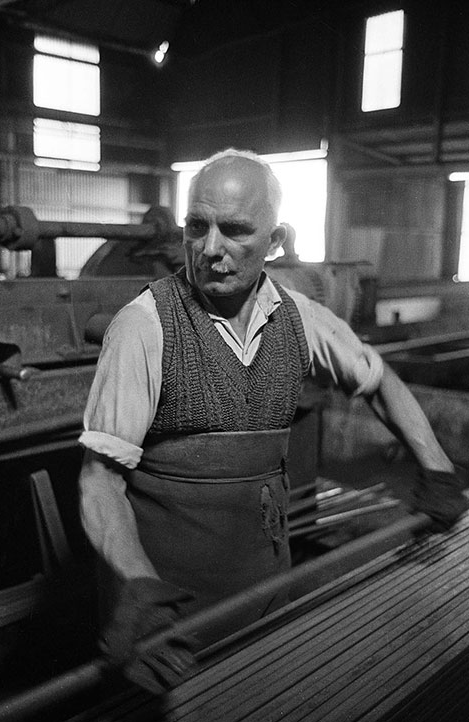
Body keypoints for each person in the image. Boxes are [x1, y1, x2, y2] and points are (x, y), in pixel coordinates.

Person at [78, 148, 466, 694]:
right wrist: (137, 587)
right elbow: (99, 480)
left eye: (234, 230)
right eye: (198, 226)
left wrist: (437, 466)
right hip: (168, 616)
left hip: (266, 590)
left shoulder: (299, 318)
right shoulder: (144, 327)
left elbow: (379, 381)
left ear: (276, 241)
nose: (211, 249)